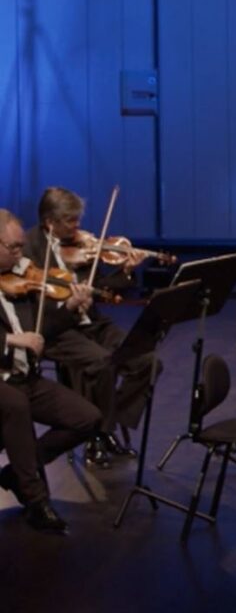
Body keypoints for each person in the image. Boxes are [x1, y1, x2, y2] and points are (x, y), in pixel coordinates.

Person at [25, 187, 156, 467]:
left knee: (148, 360)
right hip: (58, 329)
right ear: (50, 222)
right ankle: (99, 434)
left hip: (92, 323)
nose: (78, 227)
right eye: (71, 221)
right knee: (102, 363)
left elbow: (105, 290)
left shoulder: (81, 246)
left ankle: (109, 419)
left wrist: (127, 271)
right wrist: (68, 305)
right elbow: (33, 309)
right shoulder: (29, 249)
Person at [0, 208, 100, 533]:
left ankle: (18, 471)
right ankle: (36, 501)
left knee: (88, 418)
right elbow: (20, 337)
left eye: (20, 247)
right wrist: (13, 338)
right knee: (15, 405)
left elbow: (44, 329)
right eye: (13, 248)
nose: (21, 255)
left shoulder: (21, 279)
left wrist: (70, 308)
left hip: (25, 377)